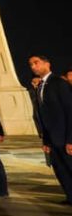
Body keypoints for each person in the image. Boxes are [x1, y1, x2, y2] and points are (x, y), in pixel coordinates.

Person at [28, 54, 72, 205]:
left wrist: (70, 140)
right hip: (52, 140)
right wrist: (46, 141)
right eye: (31, 64)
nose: (33, 66)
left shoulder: (59, 83)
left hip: (64, 139)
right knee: (61, 171)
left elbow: (69, 111)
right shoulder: (40, 86)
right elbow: (43, 116)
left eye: (36, 62)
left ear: (47, 64)